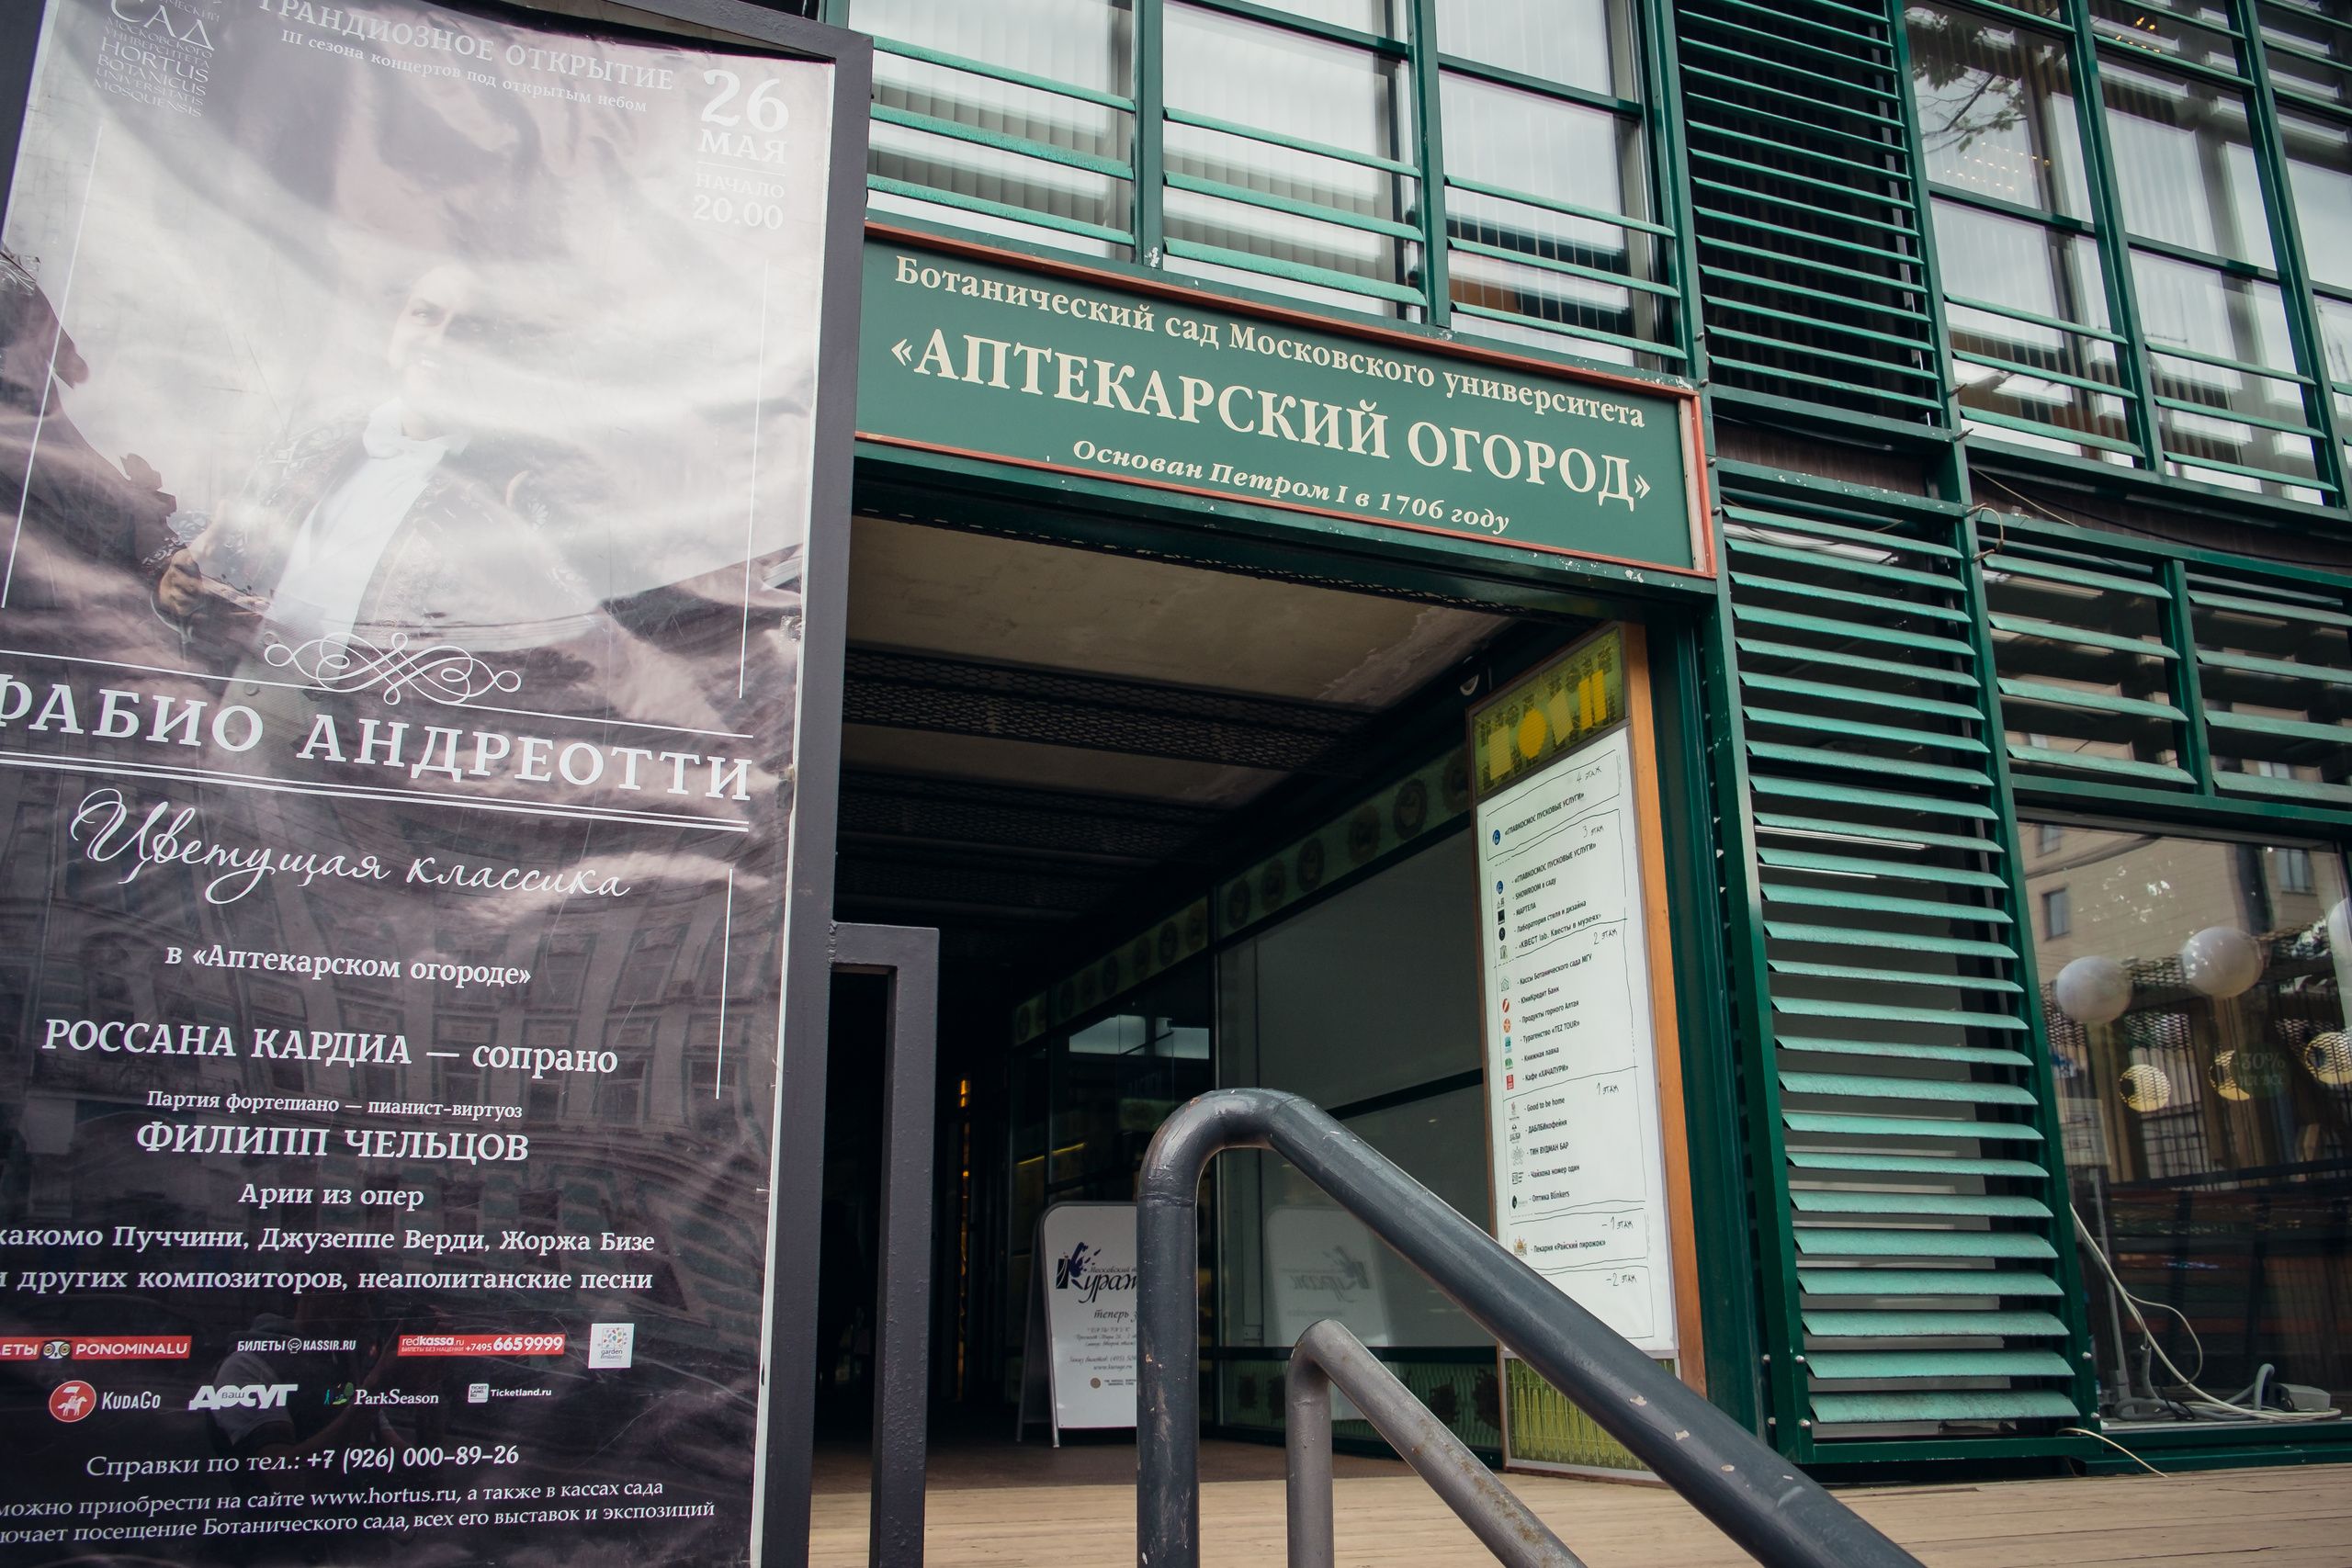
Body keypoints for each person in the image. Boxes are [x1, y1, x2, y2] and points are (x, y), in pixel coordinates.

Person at [185, 262, 595, 665]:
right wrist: (181, 584)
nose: (438, 342)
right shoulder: (310, 441)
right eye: (425, 315)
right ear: (395, 326)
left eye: (469, 330)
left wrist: (524, 584)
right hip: (244, 695)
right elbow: (221, 558)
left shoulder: (519, 488)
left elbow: (575, 650)